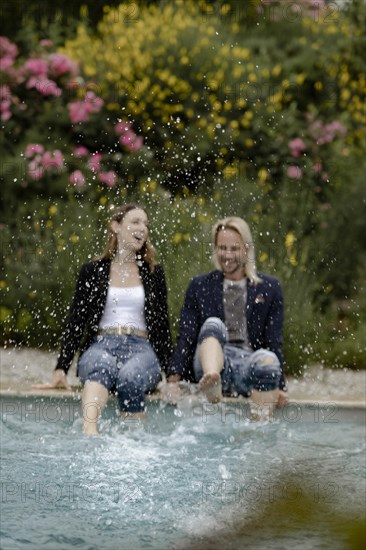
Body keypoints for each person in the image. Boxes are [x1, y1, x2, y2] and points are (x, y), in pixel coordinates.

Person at [33, 203, 173, 434]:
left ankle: (134, 442)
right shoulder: (93, 270)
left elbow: (162, 325)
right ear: (116, 226)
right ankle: (90, 433)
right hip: (101, 343)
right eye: (135, 222)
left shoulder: (153, 272)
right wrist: (61, 367)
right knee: (101, 366)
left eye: (146, 224)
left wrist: (172, 375)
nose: (143, 228)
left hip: (141, 347)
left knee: (130, 377)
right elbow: (76, 321)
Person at [168, 216, 288, 416]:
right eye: (222, 248)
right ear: (215, 249)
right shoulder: (200, 286)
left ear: (246, 249)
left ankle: (259, 434)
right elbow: (186, 336)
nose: (228, 255)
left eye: (234, 249)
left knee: (268, 360)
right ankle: (213, 381)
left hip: (247, 366)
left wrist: (280, 384)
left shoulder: (269, 288)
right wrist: (173, 379)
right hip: (211, 362)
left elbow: (273, 340)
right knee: (213, 324)